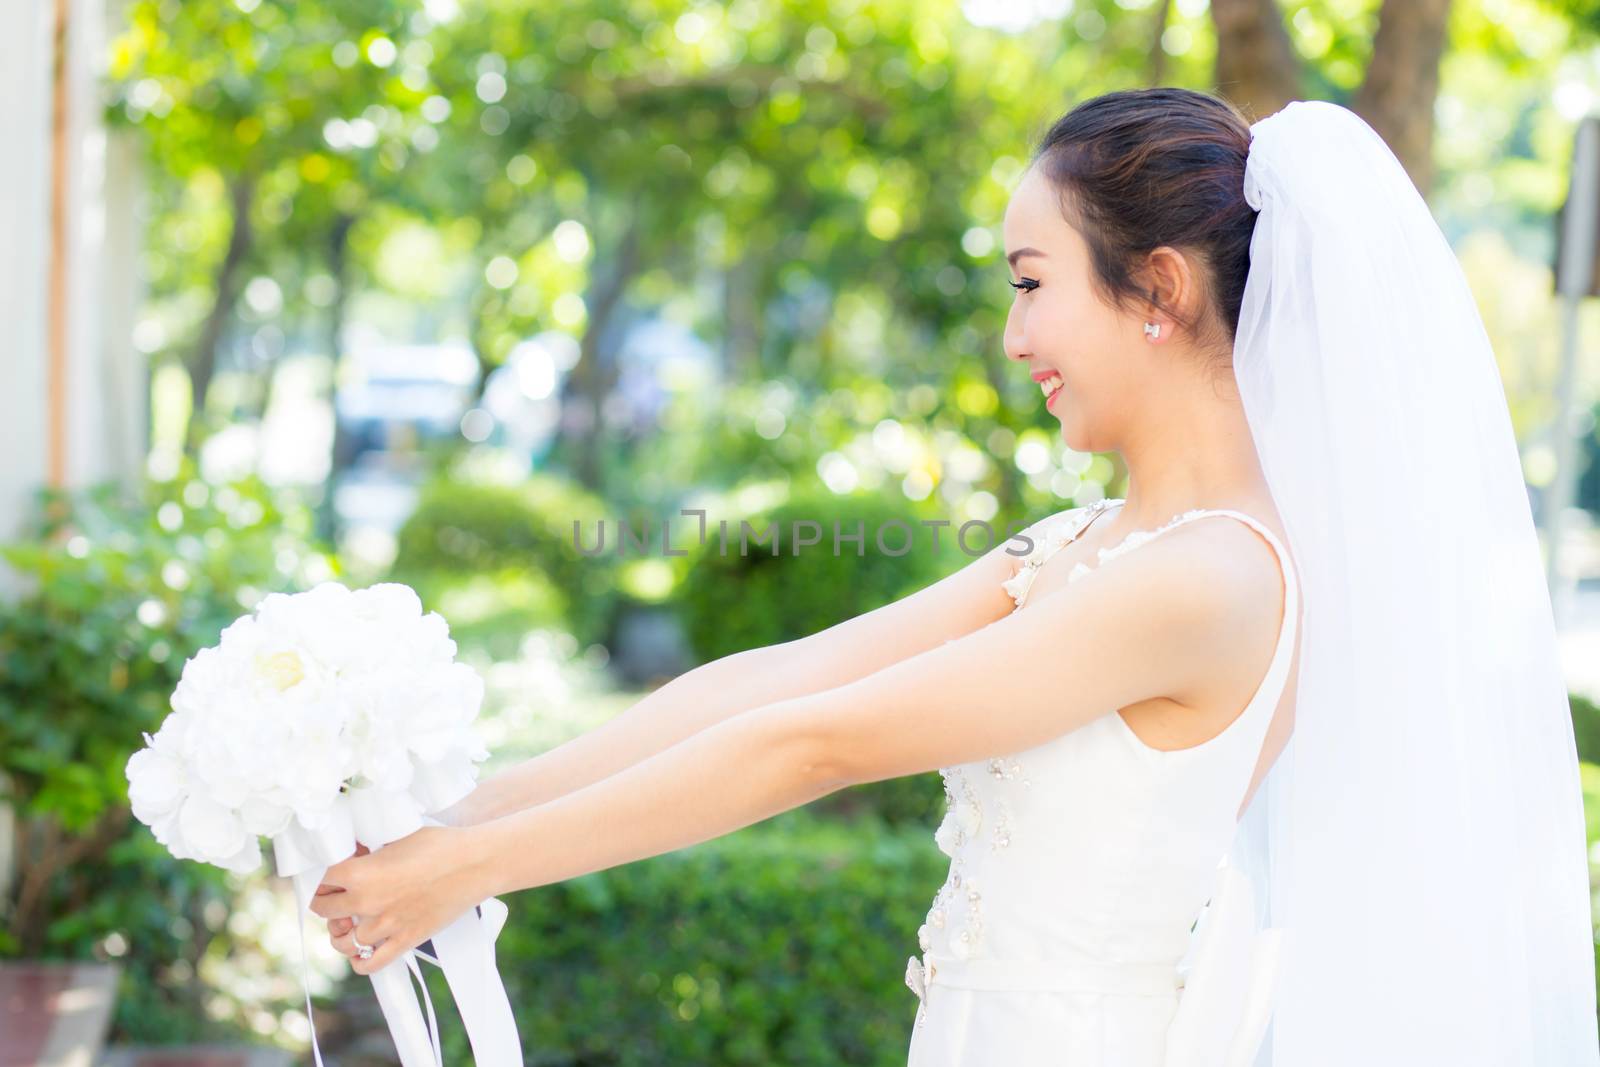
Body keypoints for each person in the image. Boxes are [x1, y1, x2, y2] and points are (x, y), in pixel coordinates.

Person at [310, 89, 1599, 1066]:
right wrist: (459, 819)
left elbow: (815, 743)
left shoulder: (1210, 582)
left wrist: (470, 874)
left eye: (1034, 285)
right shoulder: (1080, 545)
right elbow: (778, 678)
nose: (1014, 335)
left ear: (1158, 288)